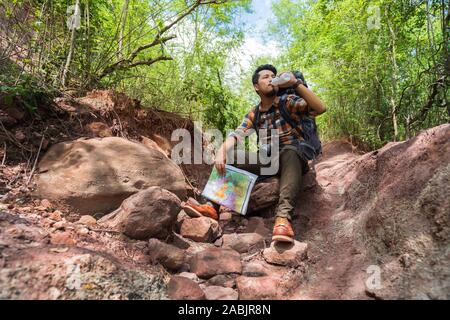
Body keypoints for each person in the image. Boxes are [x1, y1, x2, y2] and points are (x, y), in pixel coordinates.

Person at [182, 64, 327, 243]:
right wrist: (221, 151)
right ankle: (213, 206)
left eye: (273, 76)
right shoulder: (254, 113)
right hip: (267, 160)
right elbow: (237, 134)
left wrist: (296, 83)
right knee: (232, 157)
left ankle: (283, 219)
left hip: (293, 158)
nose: (271, 78)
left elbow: (320, 108)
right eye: (265, 77)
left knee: (290, 151)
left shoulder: (288, 101)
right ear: (256, 87)